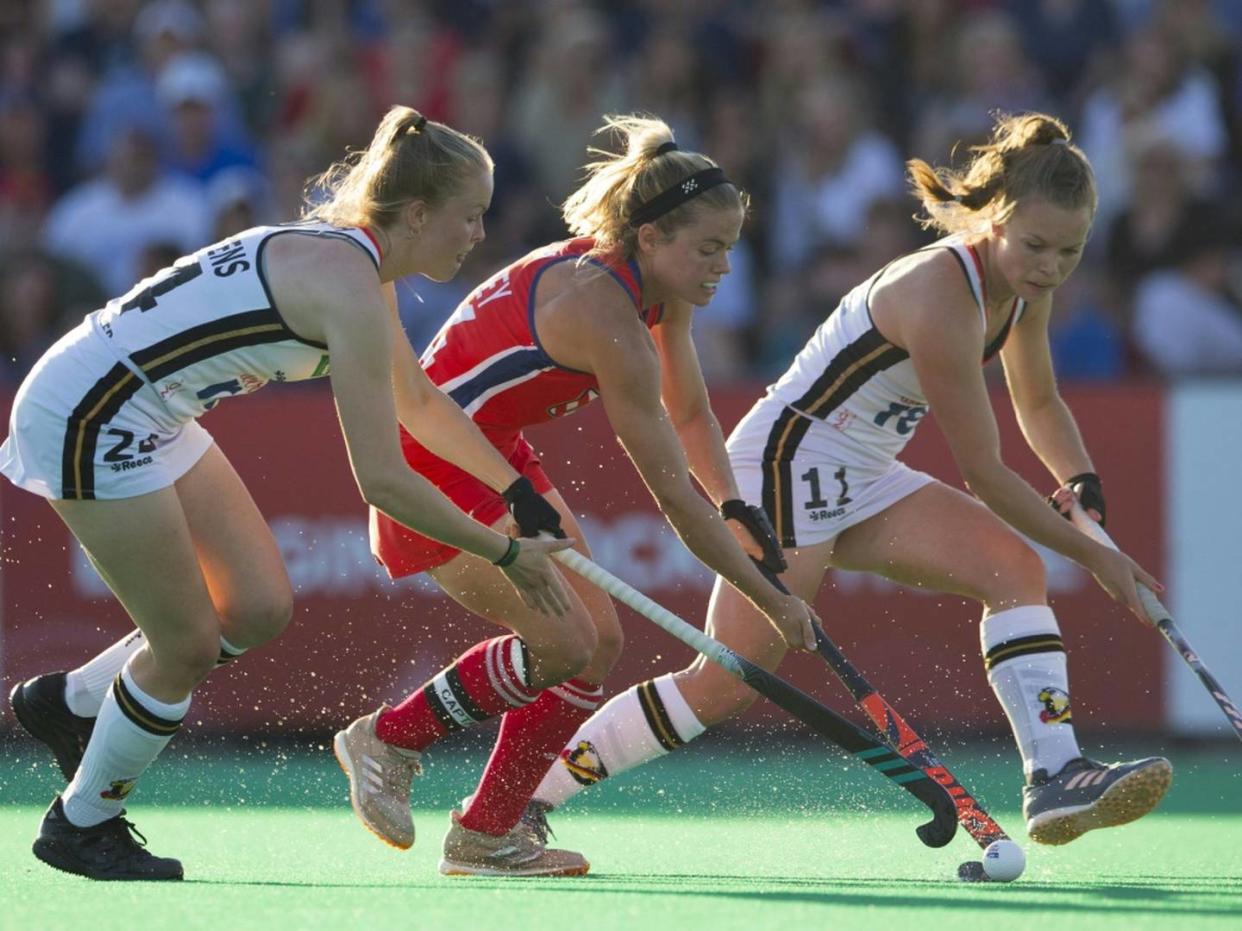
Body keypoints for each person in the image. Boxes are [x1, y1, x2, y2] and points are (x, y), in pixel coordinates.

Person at [530, 112, 1175, 855]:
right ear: (991, 220)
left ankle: (1056, 776)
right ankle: (532, 797)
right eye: (1035, 246)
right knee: (723, 682)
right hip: (786, 466)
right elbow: (985, 471)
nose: (1051, 265)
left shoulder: (1027, 287)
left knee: (1015, 566)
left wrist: (1080, 481)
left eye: (1071, 250)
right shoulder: (939, 295)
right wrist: (1099, 557)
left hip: (863, 474)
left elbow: (1039, 401)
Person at [3, 106, 576, 881]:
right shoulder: (347, 287)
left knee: (258, 606)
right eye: (467, 217)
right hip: (93, 411)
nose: (478, 234)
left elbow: (420, 402)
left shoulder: (359, 267)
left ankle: (69, 704)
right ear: (415, 214)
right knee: (184, 645)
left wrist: (512, 488)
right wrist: (506, 551)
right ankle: (82, 823)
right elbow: (382, 480)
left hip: (151, 406)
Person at [333, 114, 819, 877]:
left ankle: (487, 833)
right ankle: (390, 738)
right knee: (565, 643)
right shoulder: (606, 314)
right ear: (653, 236)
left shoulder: (657, 284)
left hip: (497, 456)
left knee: (600, 643)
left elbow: (689, 413)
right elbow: (673, 502)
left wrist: (735, 501)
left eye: (730, 247)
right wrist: (769, 598)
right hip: (433, 466)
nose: (724, 266)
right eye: (709, 248)